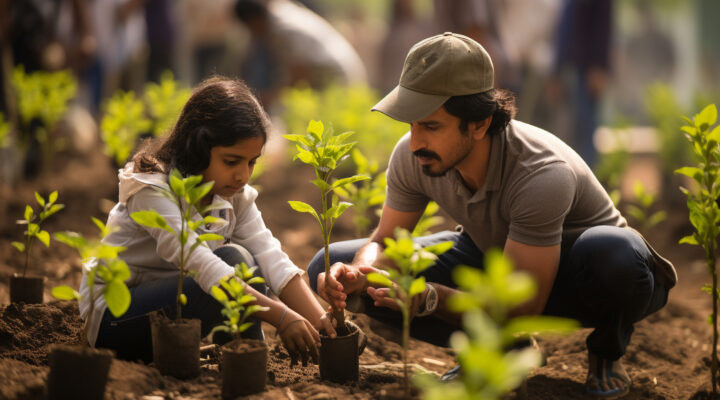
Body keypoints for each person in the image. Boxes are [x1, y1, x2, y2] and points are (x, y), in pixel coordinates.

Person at [308, 33, 676, 398]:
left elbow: (524, 303)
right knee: (329, 262)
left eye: (431, 125)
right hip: (498, 258)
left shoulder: (542, 171)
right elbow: (385, 241)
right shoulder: (414, 153)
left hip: (587, 277)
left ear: (480, 124)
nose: (416, 141)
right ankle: (504, 350)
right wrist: (359, 270)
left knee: (615, 253)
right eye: (411, 124)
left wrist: (429, 296)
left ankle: (606, 351)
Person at [80, 77, 335, 366]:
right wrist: (282, 317)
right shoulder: (151, 188)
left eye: (251, 162)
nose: (243, 175)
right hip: (115, 322)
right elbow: (200, 264)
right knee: (220, 274)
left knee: (241, 259)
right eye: (231, 161)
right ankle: (245, 360)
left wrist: (324, 322)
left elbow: (270, 256)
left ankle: (245, 363)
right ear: (199, 147)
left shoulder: (233, 194)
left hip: (170, 322)